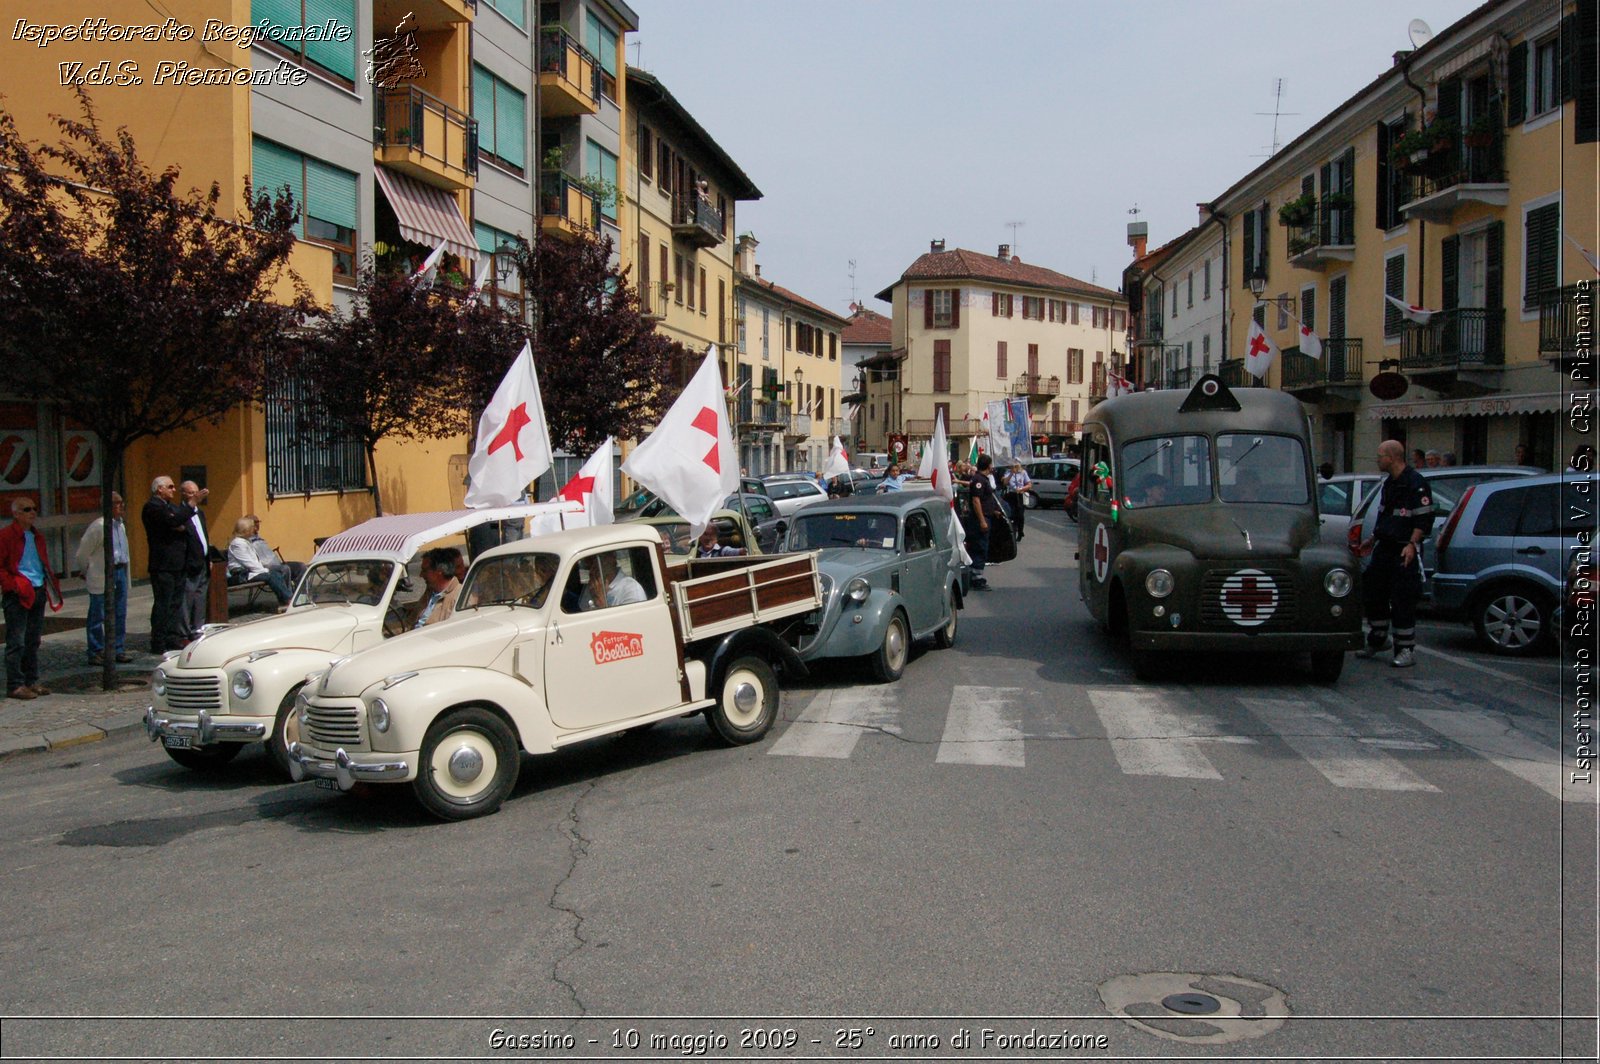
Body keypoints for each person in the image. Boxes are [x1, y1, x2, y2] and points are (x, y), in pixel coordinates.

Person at [1355, 439, 1435, 668]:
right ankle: (1378, 639)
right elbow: (1386, 515)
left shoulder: (1415, 483)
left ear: (1392, 457)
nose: (1377, 460)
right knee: (1373, 592)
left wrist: (1412, 544)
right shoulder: (1389, 483)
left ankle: (1405, 649)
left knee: (1402, 600)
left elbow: (1423, 518)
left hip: (1403, 549)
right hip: (1384, 548)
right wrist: (1373, 538)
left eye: (1380, 456)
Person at [2, 497, 60, 699]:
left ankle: (31, 680)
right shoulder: (6, 536)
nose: (32, 512)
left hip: (37, 590)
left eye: (35, 509)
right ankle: (15, 684)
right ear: (16, 514)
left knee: (33, 640)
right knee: (16, 641)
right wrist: (13, 585)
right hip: (18, 593)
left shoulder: (36, 536)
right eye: (27, 509)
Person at [75, 492, 133, 665]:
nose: (121, 506)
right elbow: (82, 553)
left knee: (119, 612)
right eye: (117, 503)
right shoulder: (98, 526)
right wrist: (85, 570)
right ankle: (96, 650)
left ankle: (117, 648)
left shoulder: (120, 525)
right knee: (98, 612)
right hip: (103, 572)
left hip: (120, 570)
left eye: (122, 502)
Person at [141, 476, 191, 654]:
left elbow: (181, 523)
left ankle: (172, 636)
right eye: (170, 487)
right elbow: (172, 521)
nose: (173, 490)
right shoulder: (153, 507)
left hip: (178, 563)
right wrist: (189, 508)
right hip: (163, 565)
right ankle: (159, 641)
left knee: (176, 604)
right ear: (159, 489)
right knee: (163, 604)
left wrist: (178, 522)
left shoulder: (170, 507)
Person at [226, 517, 294, 607]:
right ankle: (289, 599)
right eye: (251, 528)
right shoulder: (237, 544)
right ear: (245, 530)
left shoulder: (246, 541)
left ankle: (286, 600)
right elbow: (248, 562)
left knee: (276, 573)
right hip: (241, 574)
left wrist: (263, 570)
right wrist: (264, 570)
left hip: (250, 571)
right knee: (271, 576)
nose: (253, 530)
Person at [965, 455, 1005, 590]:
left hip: (987, 516)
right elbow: (976, 501)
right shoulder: (978, 480)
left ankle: (974, 575)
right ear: (988, 465)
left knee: (981, 547)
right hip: (979, 520)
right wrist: (982, 521)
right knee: (980, 547)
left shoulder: (983, 479)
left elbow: (985, 500)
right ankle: (977, 579)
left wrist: (994, 511)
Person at [178, 480, 210, 640]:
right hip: (190, 563)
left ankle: (198, 629)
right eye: (191, 493)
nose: (196, 496)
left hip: (203, 562)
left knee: (200, 598)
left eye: (196, 492)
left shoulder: (200, 513)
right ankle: (184, 632)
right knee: (187, 598)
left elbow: (203, 536)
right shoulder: (181, 513)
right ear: (183, 495)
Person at [243, 515, 306, 590]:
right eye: (255, 522)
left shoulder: (260, 539)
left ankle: (302, 597)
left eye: (258, 522)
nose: (258, 524)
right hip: (264, 568)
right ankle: (288, 598)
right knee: (284, 569)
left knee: (301, 566)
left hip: (277, 564)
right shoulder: (244, 541)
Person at [405, 547, 463, 629]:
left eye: (425, 570)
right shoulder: (429, 593)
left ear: (439, 571)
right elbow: (409, 623)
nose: (421, 575)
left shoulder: (460, 596)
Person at [581, 551, 646, 609]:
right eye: (588, 561)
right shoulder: (592, 587)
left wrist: (600, 601)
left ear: (612, 557)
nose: (592, 566)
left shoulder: (631, 589)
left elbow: (629, 622)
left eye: (596, 558)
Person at [1003, 460, 1032, 540]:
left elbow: (1029, 484)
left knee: (1020, 515)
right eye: (1013, 465)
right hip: (1011, 495)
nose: (1015, 467)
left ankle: (1020, 531)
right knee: (1012, 514)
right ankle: (1013, 531)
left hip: (1020, 494)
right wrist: (1012, 473)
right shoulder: (1008, 472)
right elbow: (1005, 483)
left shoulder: (1023, 473)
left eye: (1016, 465)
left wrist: (1022, 488)